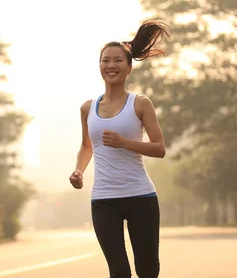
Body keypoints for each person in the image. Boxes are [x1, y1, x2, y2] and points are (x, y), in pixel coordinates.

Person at [69, 21, 170, 278]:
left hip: (141, 197)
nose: (110, 65)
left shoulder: (141, 104)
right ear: (99, 66)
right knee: (119, 272)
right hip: (103, 199)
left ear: (128, 68)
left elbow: (159, 149)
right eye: (105, 61)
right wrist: (78, 170)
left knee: (148, 270)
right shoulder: (87, 108)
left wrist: (125, 143)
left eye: (117, 61)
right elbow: (86, 146)